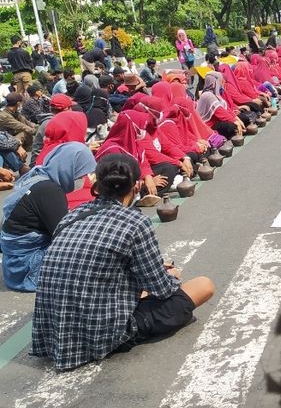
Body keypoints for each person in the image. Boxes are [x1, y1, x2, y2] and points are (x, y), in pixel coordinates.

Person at [31, 154, 214, 370]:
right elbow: (162, 289)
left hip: (54, 334)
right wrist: (170, 277)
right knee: (204, 285)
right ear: (137, 186)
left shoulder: (72, 215)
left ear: (97, 185)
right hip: (99, 336)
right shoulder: (136, 222)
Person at [0, 142, 96, 292]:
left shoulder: (39, 177)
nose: (83, 179)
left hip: (15, 266)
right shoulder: (49, 190)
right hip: (27, 270)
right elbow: (66, 238)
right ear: (69, 168)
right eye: (81, 173)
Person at [30, 94, 73, 166]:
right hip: (44, 165)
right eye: (71, 107)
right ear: (66, 109)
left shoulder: (58, 121)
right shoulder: (52, 124)